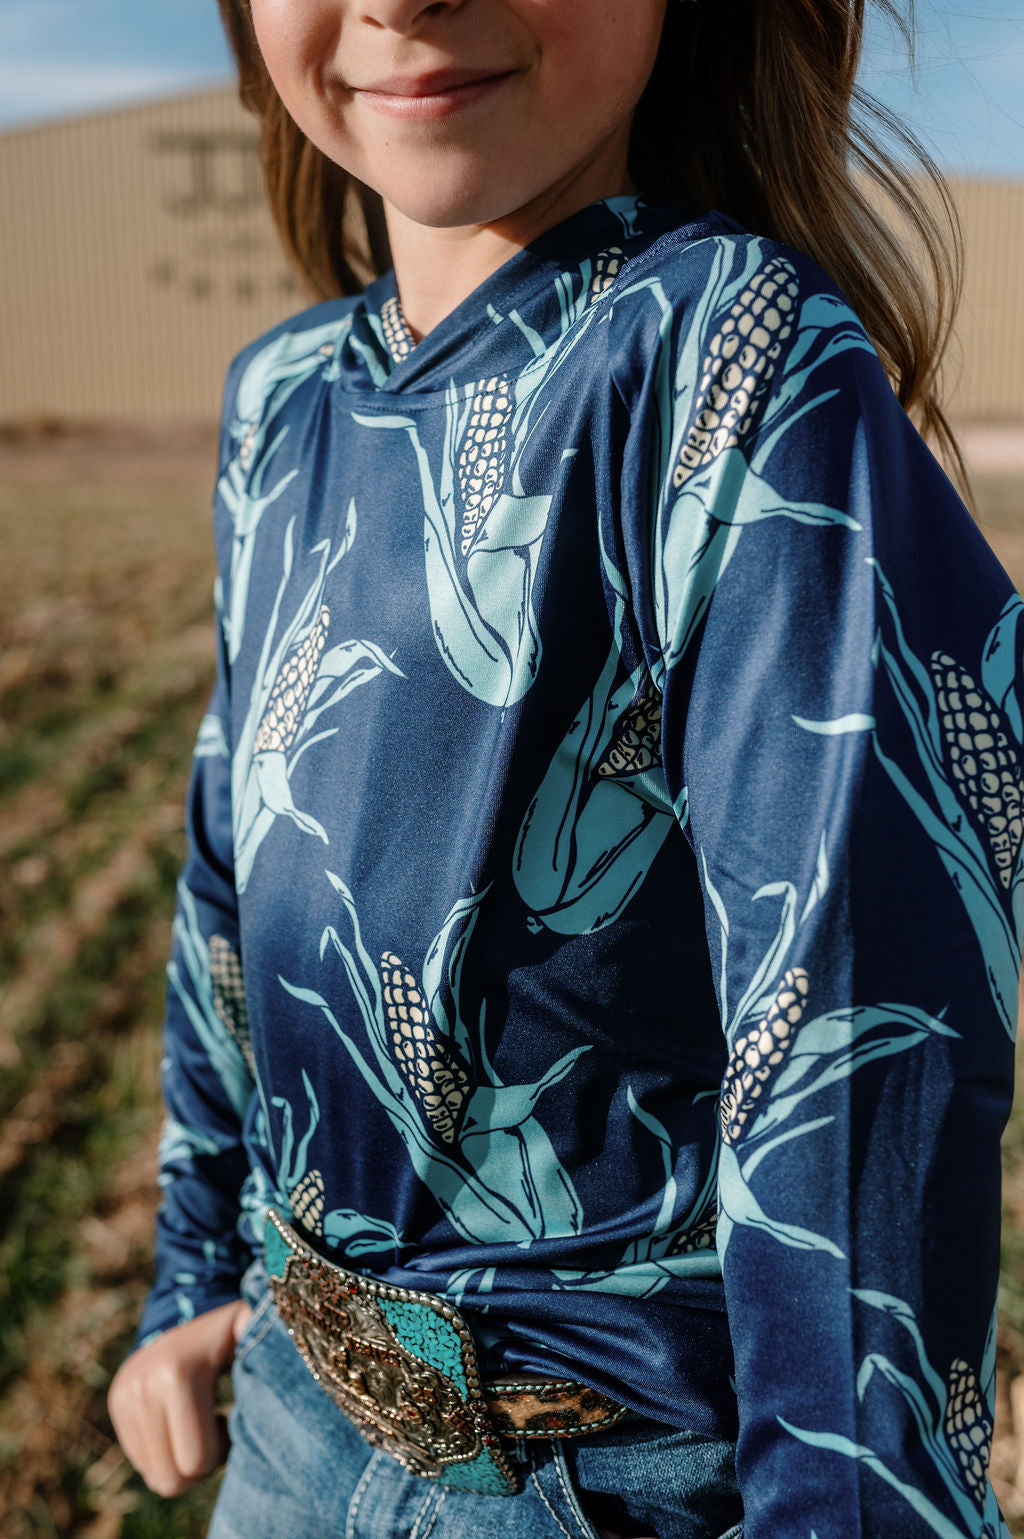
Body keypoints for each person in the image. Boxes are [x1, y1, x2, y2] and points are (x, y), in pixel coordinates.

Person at [107, 2, 1024, 1535]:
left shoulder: (732, 360)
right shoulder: (278, 403)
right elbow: (229, 869)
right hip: (286, 1417)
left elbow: (861, 1031)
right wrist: (199, 1264)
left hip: (612, 1484)